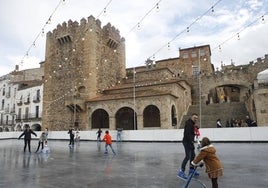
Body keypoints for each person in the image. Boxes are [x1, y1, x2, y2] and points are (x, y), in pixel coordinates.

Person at [177, 113, 199, 180]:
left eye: (196, 118)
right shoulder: (189, 124)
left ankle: (191, 169)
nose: (195, 119)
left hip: (190, 141)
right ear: (192, 117)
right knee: (188, 156)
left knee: (193, 155)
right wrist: (191, 143)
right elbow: (187, 134)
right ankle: (181, 171)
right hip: (187, 142)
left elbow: (191, 133)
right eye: (194, 118)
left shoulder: (192, 124)